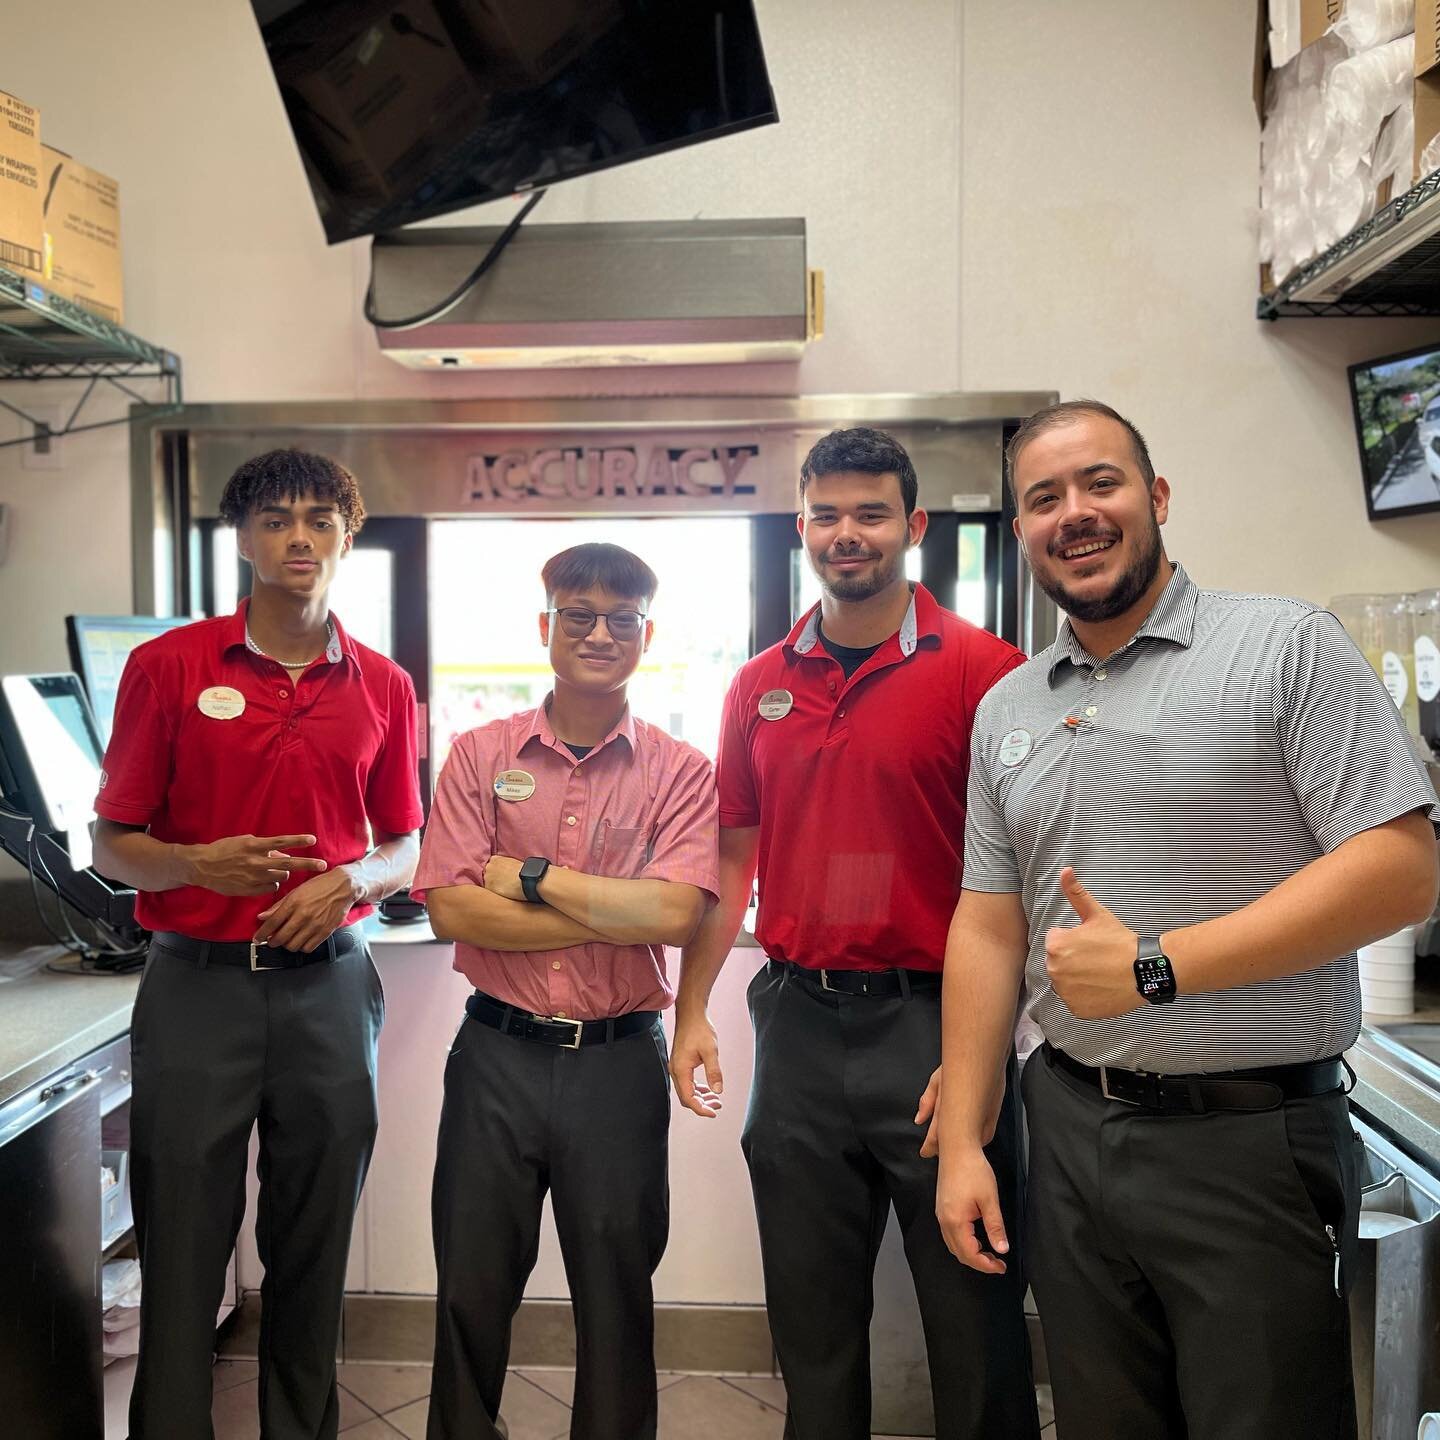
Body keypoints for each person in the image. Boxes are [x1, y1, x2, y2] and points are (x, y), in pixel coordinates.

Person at [934, 400, 1440, 1440]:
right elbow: (988, 925)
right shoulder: (1009, 707)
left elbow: (1400, 870)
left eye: (1101, 483)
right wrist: (964, 1143)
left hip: (1247, 1140)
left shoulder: (1284, 647)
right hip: (1068, 1127)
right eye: (1043, 499)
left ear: (1157, 498)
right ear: (1022, 530)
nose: (1074, 513)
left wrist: (1159, 966)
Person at [670, 427, 1041, 1439]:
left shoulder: (987, 673)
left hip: (933, 1027)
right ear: (801, 528)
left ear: (913, 526)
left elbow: (1027, 884)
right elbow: (732, 860)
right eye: (827, 515)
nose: (848, 534)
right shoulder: (757, 684)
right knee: (812, 1323)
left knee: (975, 1318)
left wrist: (982, 1053)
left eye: (871, 513)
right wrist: (691, 1005)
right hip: (795, 1025)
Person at [93, 449, 424, 1440]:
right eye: (277, 520)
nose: (299, 539)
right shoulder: (170, 668)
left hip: (329, 991)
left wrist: (355, 879)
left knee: (312, 1248)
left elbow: (408, 841)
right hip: (197, 992)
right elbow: (113, 846)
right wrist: (198, 866)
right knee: (185, 1252)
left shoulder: (383, 684)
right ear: (241, 536)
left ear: (346, 537)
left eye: (321, 520)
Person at [412, 542, 719, 1440]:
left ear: (646, 634)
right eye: (577, 614)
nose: (599, 632)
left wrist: (531, 878)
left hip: (617, 1069)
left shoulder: (681, 770)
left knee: (616, 1296)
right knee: (470, 1287)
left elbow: (672, 915)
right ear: (546, 626)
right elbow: (449, 912)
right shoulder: (479, 754)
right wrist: (613, 913)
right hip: (494, 1058)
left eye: (621, 618)